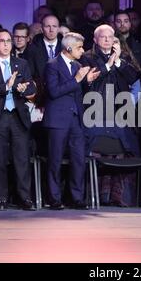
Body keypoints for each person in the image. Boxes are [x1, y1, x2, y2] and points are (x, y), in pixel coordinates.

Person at [81, 24, 141, 207]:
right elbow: (90, 82)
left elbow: (134, 77)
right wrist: (108, 65)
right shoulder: (87, 59)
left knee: (125, 148)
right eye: (103, 37)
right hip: (95, 112)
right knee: (97, 150)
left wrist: (117, 62)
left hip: (119, 112)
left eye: (111, 37)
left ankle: (119, 196)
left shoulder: (122, 59)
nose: (107, 40)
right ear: (95, 40)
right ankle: (98, 196)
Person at [0, 29, 37, 211]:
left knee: (22, 159)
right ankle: (0, 198)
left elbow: (30, 87)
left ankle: (24, 198)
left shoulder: (22, 63)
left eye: (8, 41)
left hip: (17, 116)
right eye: (2, 41)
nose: (6, 44)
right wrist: (6, 86)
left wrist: (23, 89)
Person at [43, 32, 99, 210]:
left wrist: (86, 82)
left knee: (78, 160)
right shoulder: (52, 65)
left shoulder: (77, 65)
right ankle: (54, 198)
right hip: (58, 120)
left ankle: (76, 198)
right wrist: (77, 79)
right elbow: (53, 91)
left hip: (76, 120)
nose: (82, 51)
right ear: (68, 48)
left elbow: (77, 91)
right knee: (55, 160)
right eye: (79, 47)